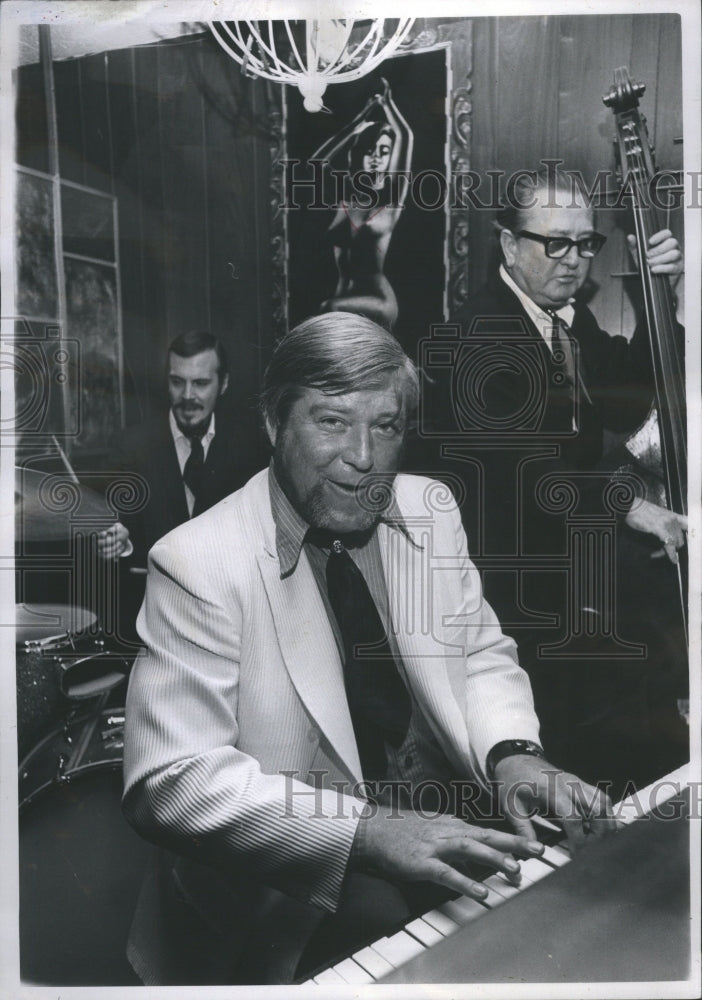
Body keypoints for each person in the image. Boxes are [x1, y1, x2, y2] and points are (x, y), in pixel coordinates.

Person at [122, 311, 614, 986]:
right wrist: (368, 832)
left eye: (385, 425)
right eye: (331, 421)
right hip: (281, 904)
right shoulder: (197, 561)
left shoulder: (431, 508)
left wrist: (512, 755)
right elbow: (170, 781)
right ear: (273, 425)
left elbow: (477, 652)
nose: (363, 455)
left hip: (445, 828)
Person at [436, 165, 687, 791]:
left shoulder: (567, 322)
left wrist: (664, 294)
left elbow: (629, 395)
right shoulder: (479, 332)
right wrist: (629, 504)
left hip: (568, 581)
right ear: (509, 243)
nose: (573, 260)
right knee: (547, 760)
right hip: (509, 595)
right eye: (556, 242)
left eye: (585, 242)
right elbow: (522, 468)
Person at [97, 330, 262, 639]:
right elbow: (119, 527)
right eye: (177, 382)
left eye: (200, 383)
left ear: (223, 383)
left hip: (230, 627)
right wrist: (117, 541)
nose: (188, 396)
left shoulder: (250, 447)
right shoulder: (130, 447)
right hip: (154, 626)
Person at [311, 78, 413, 328]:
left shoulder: (391, 201)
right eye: (369, 150)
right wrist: (357, 125)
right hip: (343, 299)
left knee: (328, 309)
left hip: (379, 301)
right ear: (358, 154)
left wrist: (387, 105)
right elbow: (317, 162)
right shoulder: (343, 200)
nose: (376, 158)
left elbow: (405, 136)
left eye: (384, 151)